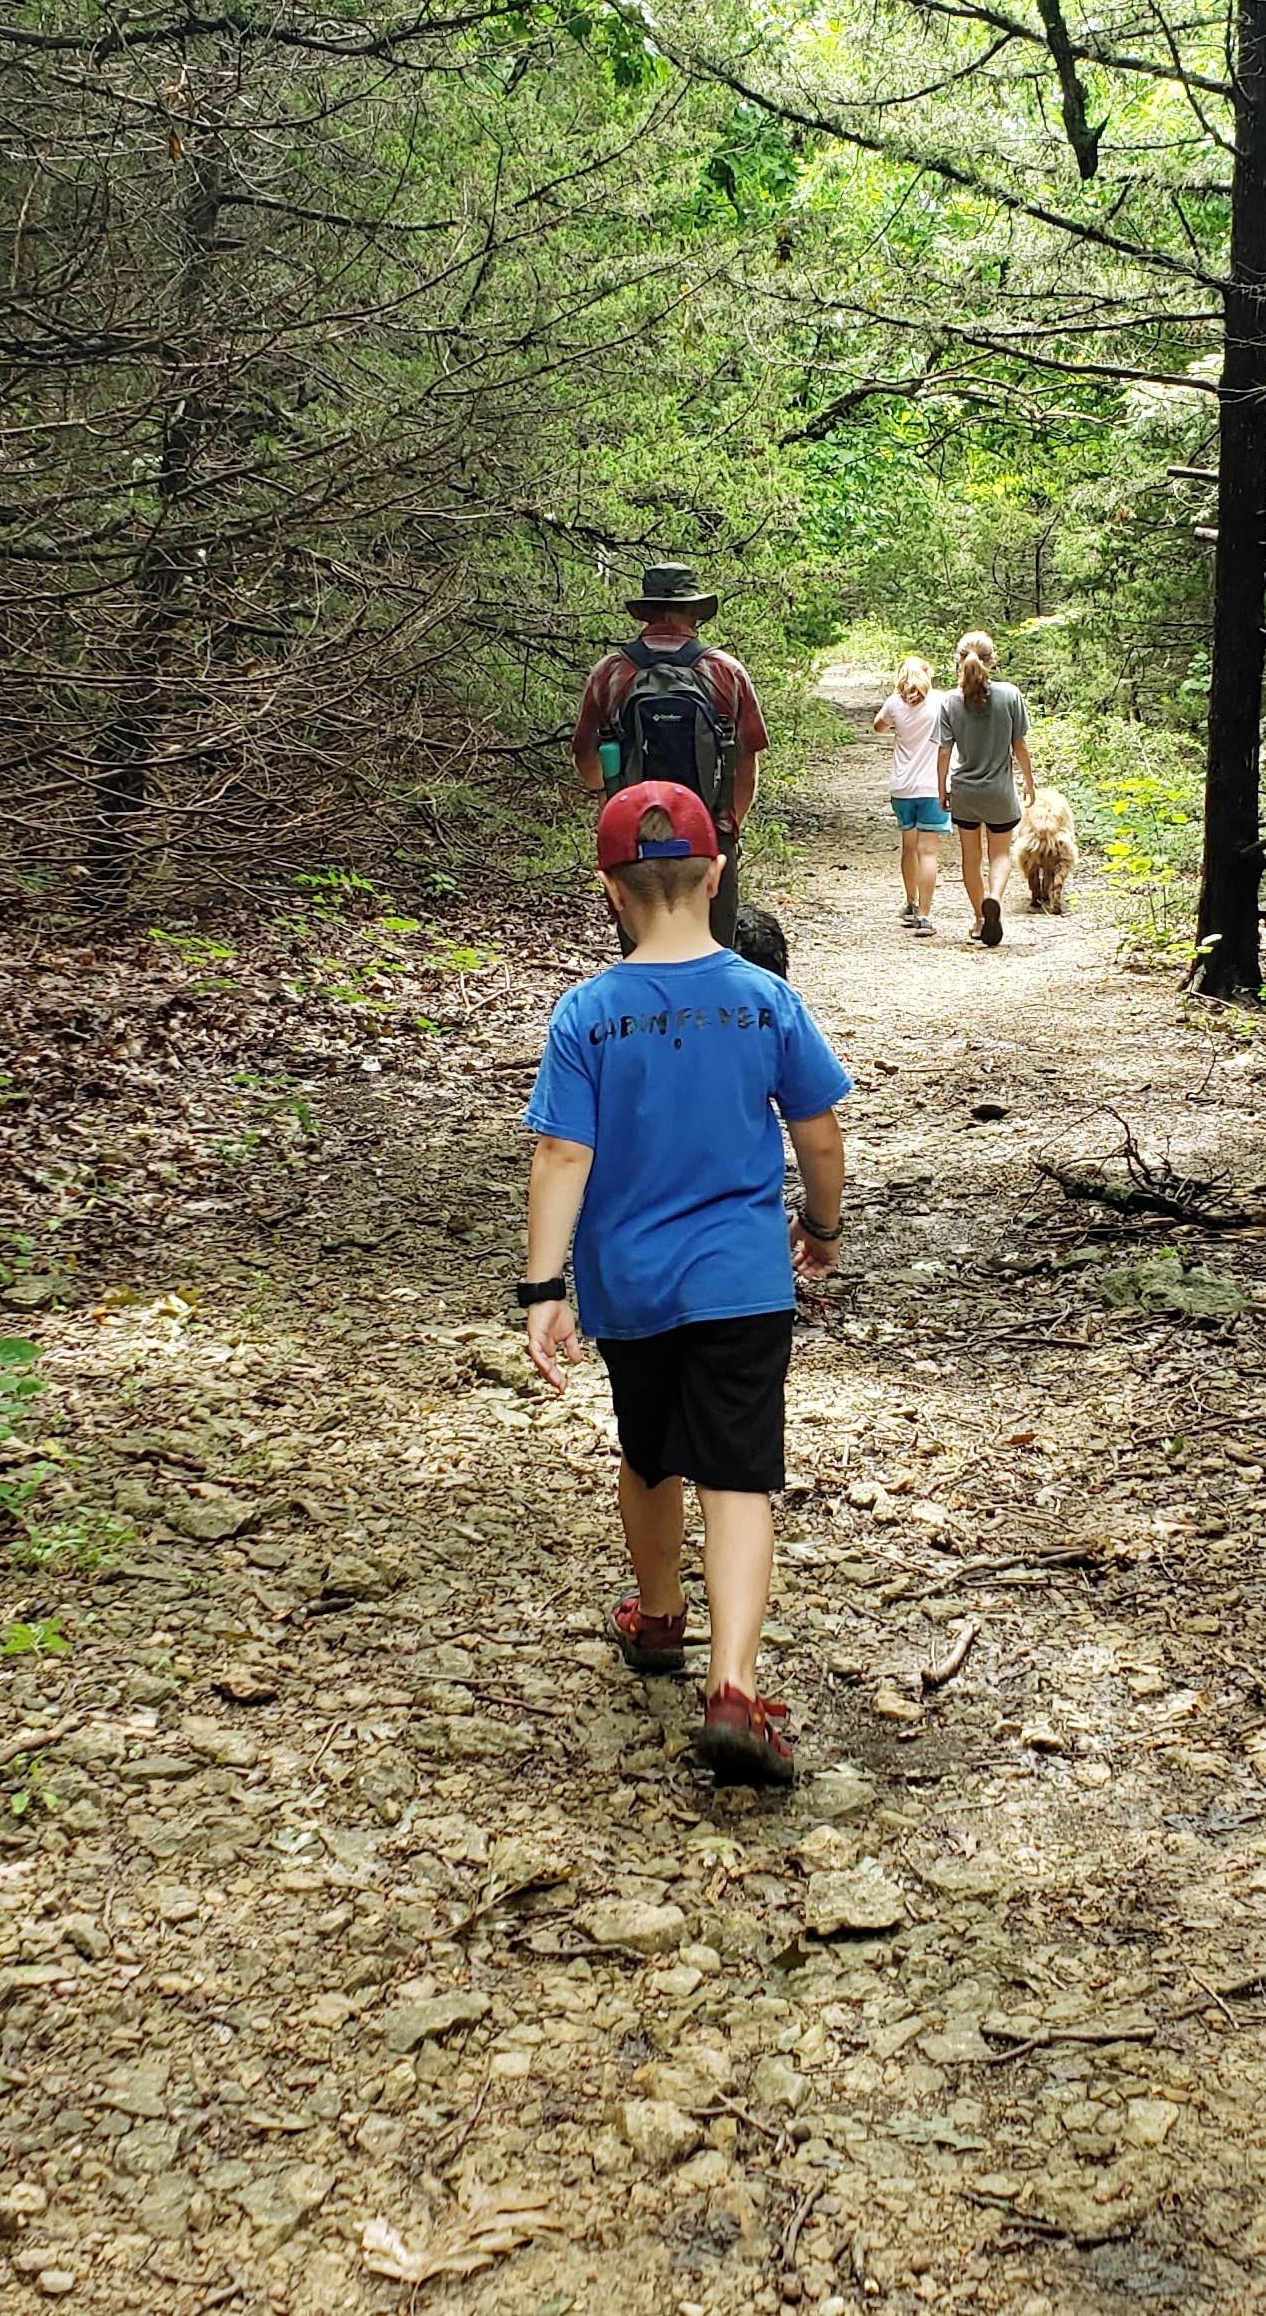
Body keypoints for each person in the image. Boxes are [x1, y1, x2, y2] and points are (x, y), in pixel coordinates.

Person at [520, 780, 850, 1786]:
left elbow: (561, 1159)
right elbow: (821, 1133)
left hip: (633, 1286)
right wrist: (820, 1225)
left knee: (651, 1450)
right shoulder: (764, 999)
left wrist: (543, 1291)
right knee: (738, 1471)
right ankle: (735, 1686)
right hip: (742, 1281)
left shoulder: (587, 1013)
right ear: (713, 876)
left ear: (610, 891)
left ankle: (658, 1616)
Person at [572, 562, 768, 952]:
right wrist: (729, 824)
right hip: (710, 832)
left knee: (641, 953)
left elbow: (583, 753)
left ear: (645, 612)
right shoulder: (725, 670)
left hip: (634, 836)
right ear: (693, 611)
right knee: (714, 952)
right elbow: (747, 759)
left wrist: (609, 803)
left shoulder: (610, 672)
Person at [935, 630, 1036, 948]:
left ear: (958, 661)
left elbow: (943, 752)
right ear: (992, 661)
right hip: (1000, 792)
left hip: (966, 792)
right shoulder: (1010, 695)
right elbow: (1019, 745)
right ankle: (994, 897)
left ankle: (980, 918)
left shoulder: (950, 701)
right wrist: (1030, 783)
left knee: (971, 857)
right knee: (1000, 854)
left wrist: (942, 790)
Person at [872, 654, 950, 938]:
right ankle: (926, 916)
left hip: (902, 788)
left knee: (909, 847)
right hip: (933, 787)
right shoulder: (941, 701)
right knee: (928, 851)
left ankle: (911, 903)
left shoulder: (894, 703)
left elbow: (878, 726)